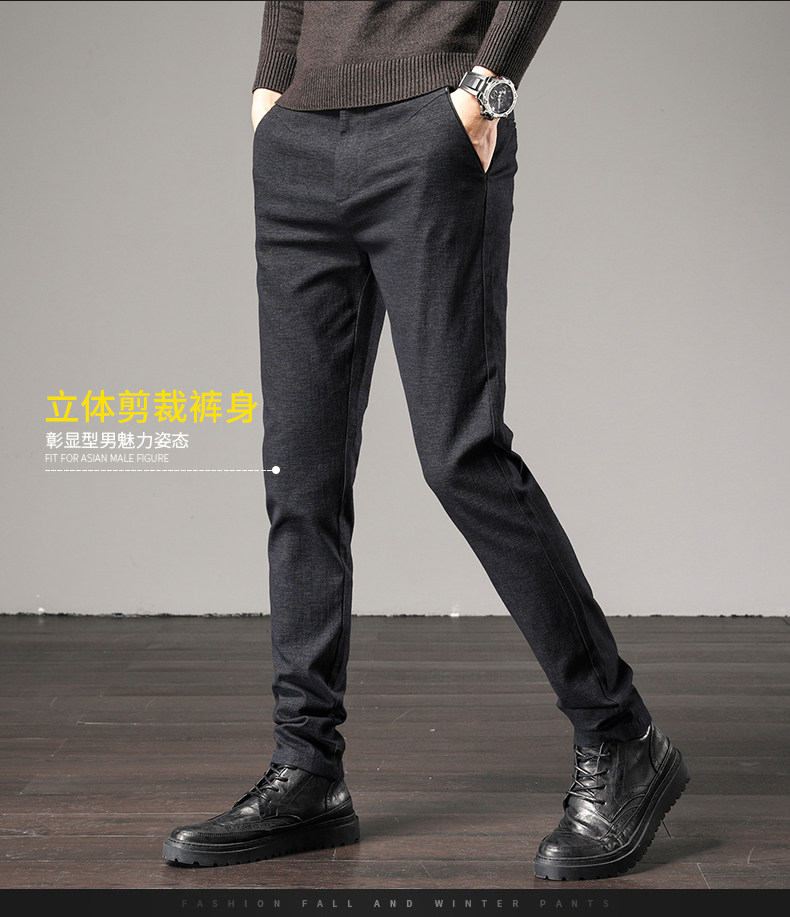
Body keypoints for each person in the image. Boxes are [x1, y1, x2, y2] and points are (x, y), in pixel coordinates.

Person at [163, 1, 689, 881]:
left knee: (460, 454)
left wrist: (485, 89)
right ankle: (307, 769)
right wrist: (271, 89)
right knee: (299, 471)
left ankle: (622, 736)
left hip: (430, 127)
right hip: (298, 140)